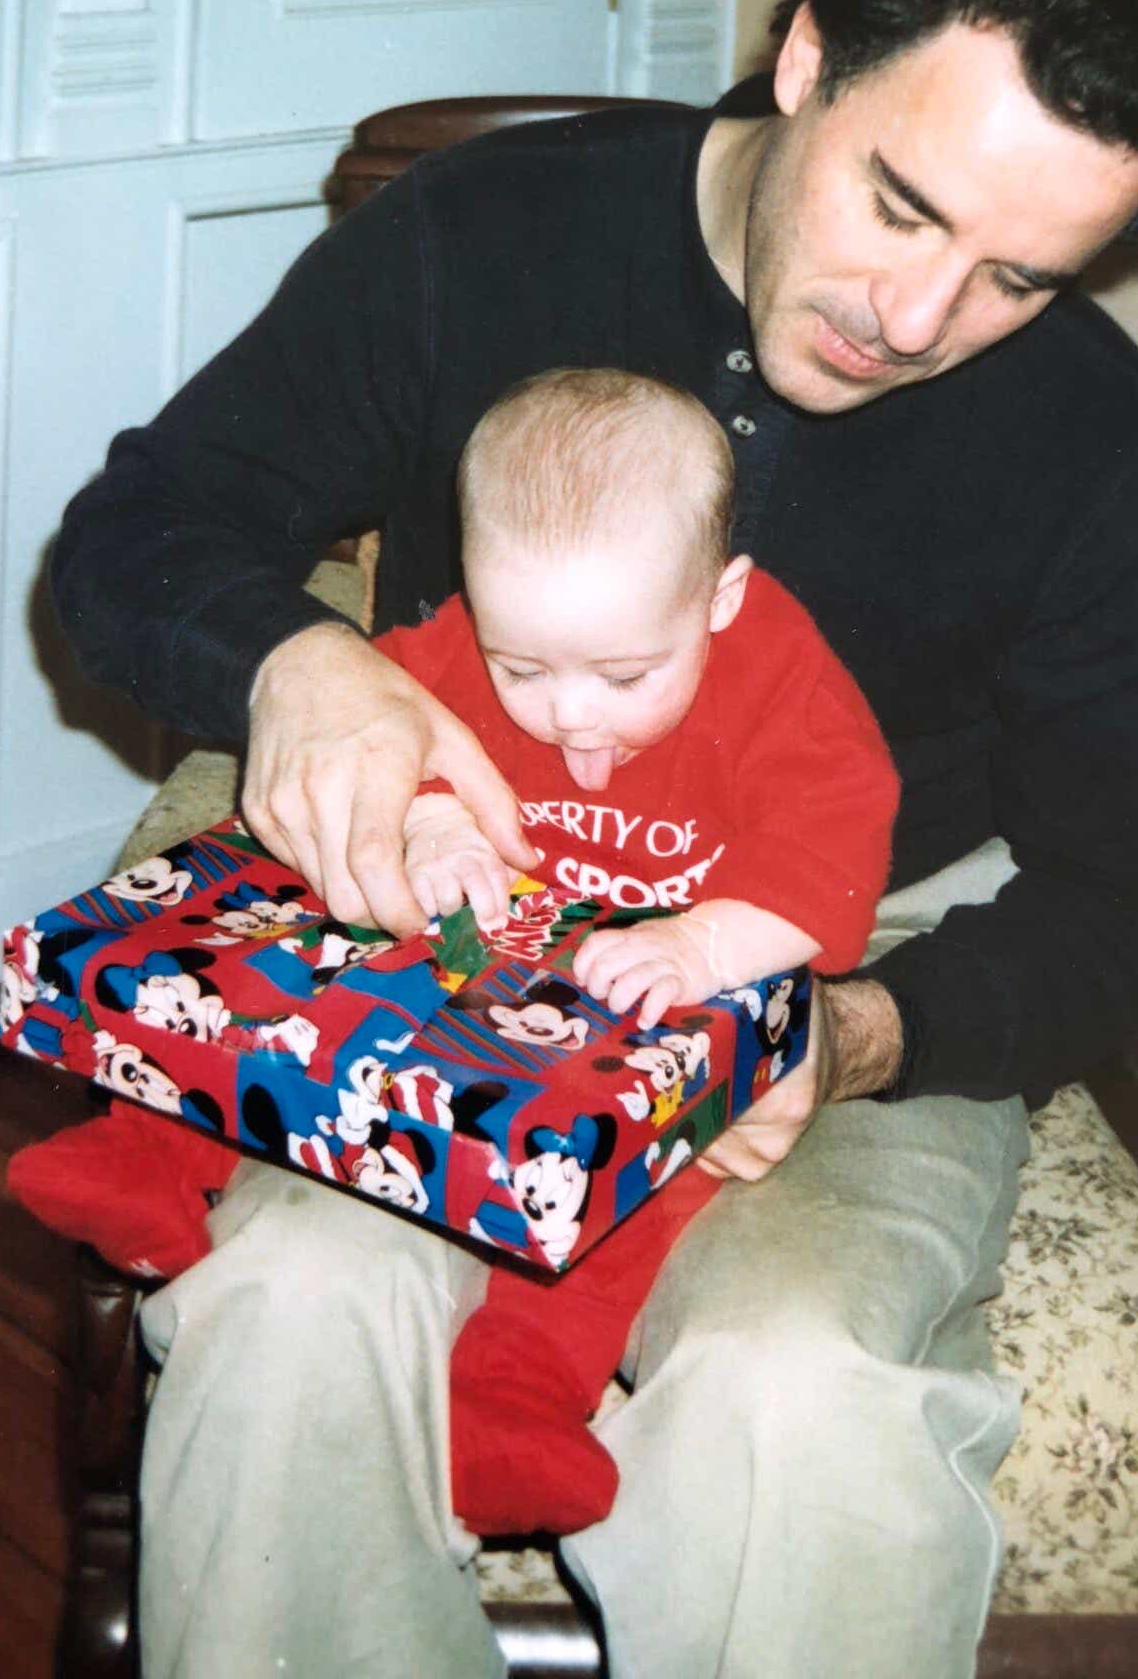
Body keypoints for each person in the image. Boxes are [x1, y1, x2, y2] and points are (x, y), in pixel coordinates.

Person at [52, 0, 1138, 1677]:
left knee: (810, 1399)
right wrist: (299, 668)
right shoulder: (478, 243)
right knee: (293, 1302)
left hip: (840, 951)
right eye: (904, 207)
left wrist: (858, 1032)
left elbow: (1127, 903)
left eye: (1025, 277)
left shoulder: (1101, 452)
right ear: (806, 60)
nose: (917, 322)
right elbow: (138, 541)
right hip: (474, 910)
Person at [376, 367, 897, 1536]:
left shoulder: (779, 672)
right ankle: (153, 1163)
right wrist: (430, 809)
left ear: (719, 599)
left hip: (665, 997)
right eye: (522, 669)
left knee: (640, 1188)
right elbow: (385, 713)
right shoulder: (469, 636)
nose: (570, 715)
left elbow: (834, 854)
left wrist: (702, 940)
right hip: (484, 973)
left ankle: (509, 1397)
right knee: (295, 982)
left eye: (622, 676)